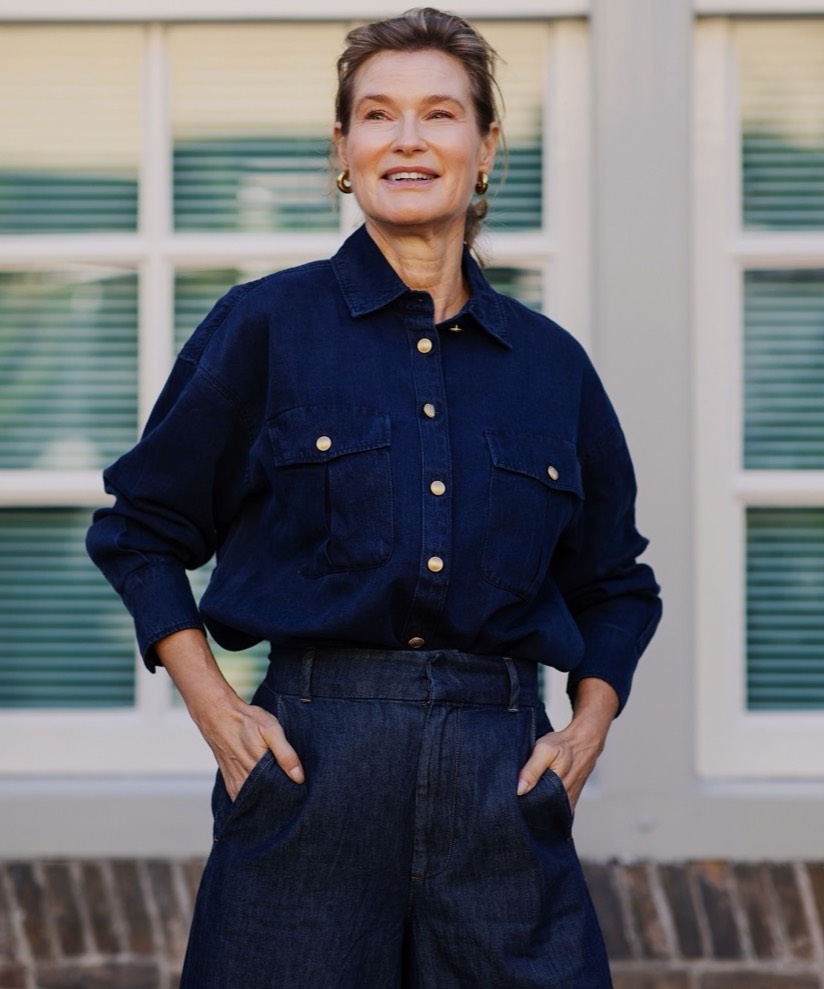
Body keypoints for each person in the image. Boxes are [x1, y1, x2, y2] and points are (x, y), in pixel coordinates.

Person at [87, 7, 662, 987]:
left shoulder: (550, 367)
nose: (406, 139)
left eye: (439, 114)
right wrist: (217, 712)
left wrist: (586, 726)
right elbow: (139, 531)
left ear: (486, 149)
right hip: (311, 770)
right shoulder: (264, 326)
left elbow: (615, 583)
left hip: (500, 778)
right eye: (377, 114)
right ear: (342, 152)